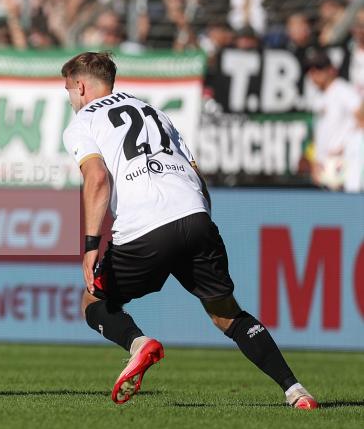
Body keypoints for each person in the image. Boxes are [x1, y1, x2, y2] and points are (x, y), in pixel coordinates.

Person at [60, 51, 318, 409]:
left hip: (143, 225)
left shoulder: (82, 122)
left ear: (81, 86)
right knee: (226, 313)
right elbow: (195, 173)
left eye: (68, 90)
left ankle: (138, 344)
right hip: (195, 214)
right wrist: (201, 222)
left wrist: (90, 244)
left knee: (93, 300)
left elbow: (98, 178)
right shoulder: (155, 112)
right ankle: (295, 389)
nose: (70, 99)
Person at [304, 47, 363, 192]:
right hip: (326, 163)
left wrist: (347, 146)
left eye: (318, 68)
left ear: (331, 70)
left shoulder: (342, 90)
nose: (313, 74)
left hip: (345, 160)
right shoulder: (318, 97)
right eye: (310, 70)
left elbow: (362, 119)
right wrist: (316, 162)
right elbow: (320, 135)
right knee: (331, 208)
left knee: (349, 204)